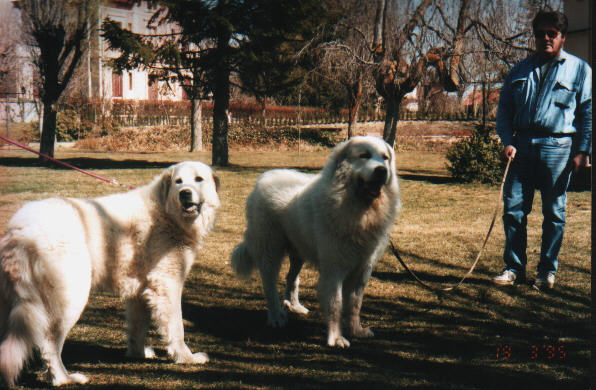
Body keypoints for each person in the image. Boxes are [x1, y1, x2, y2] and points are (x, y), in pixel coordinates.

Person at [493, 10, 591, 290]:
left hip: (558, 148)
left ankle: (546, 271)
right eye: (540, 33)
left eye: (552, 33)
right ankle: (513, 268)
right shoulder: (520, 70)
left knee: (554, 212)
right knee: (513, 211)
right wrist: (507, 141)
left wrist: (583, 150)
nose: (546, 38)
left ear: (563, 37)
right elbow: (504, 111)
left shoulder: (581, 70)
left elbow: (588, 113)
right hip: (521, 146)